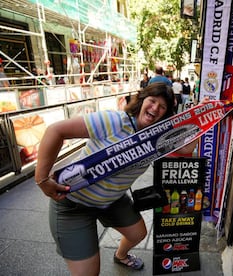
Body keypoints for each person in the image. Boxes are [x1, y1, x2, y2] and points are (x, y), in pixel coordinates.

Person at [35, 83, 198, 275]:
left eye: (162, 107)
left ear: (165, 114)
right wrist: (42, 179)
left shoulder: (157, 137)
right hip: (72, 205)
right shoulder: (114, 121)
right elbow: (55, 130)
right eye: (152, 101)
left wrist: (201, 116)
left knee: (138, 234)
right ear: (142, 100)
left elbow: (187, 149)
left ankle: (121, 256)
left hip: (112, 201)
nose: (155, 108)